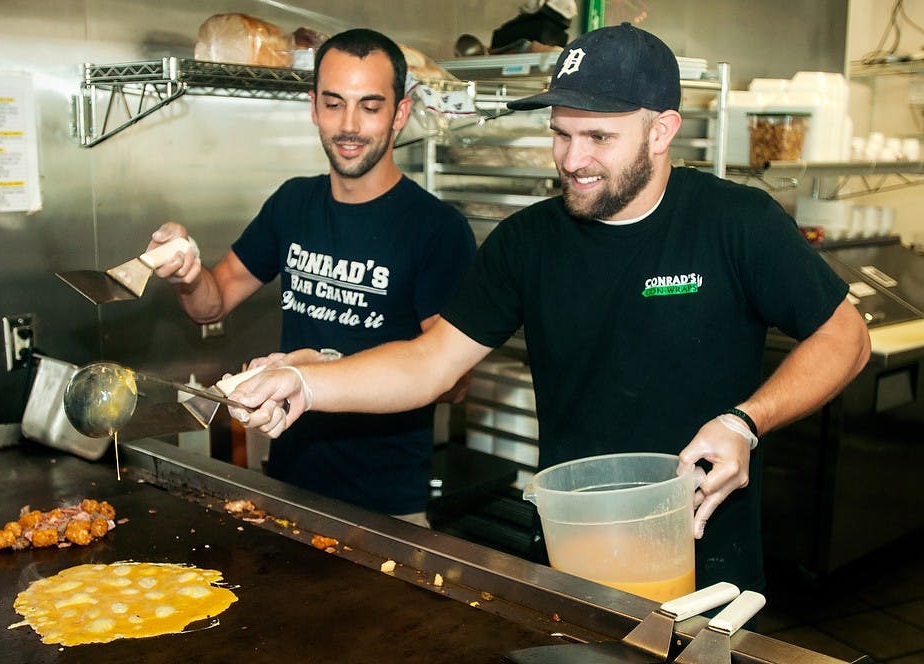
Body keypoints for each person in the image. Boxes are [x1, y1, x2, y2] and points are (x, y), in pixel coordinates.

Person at [222, 23, 870, 593]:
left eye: (598, 137)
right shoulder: (527, 242)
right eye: (560, 134)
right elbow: (431, 363)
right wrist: (306, 381)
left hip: (707, 557)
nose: (573, 160)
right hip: (570, 550)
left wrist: (744, 422)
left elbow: (846, 337)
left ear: (663, 129)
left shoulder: (736, 223)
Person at [145, 28, 477, 525]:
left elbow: (454, 381)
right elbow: (210, 305)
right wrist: (188, 273)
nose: (349, 125)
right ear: (313, 107)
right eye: (334, 103)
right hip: (288, 486)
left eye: (370, 106)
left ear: (399, 114)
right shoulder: (293, 203)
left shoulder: (436, 230)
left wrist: (317, 368)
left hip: (388, 507)